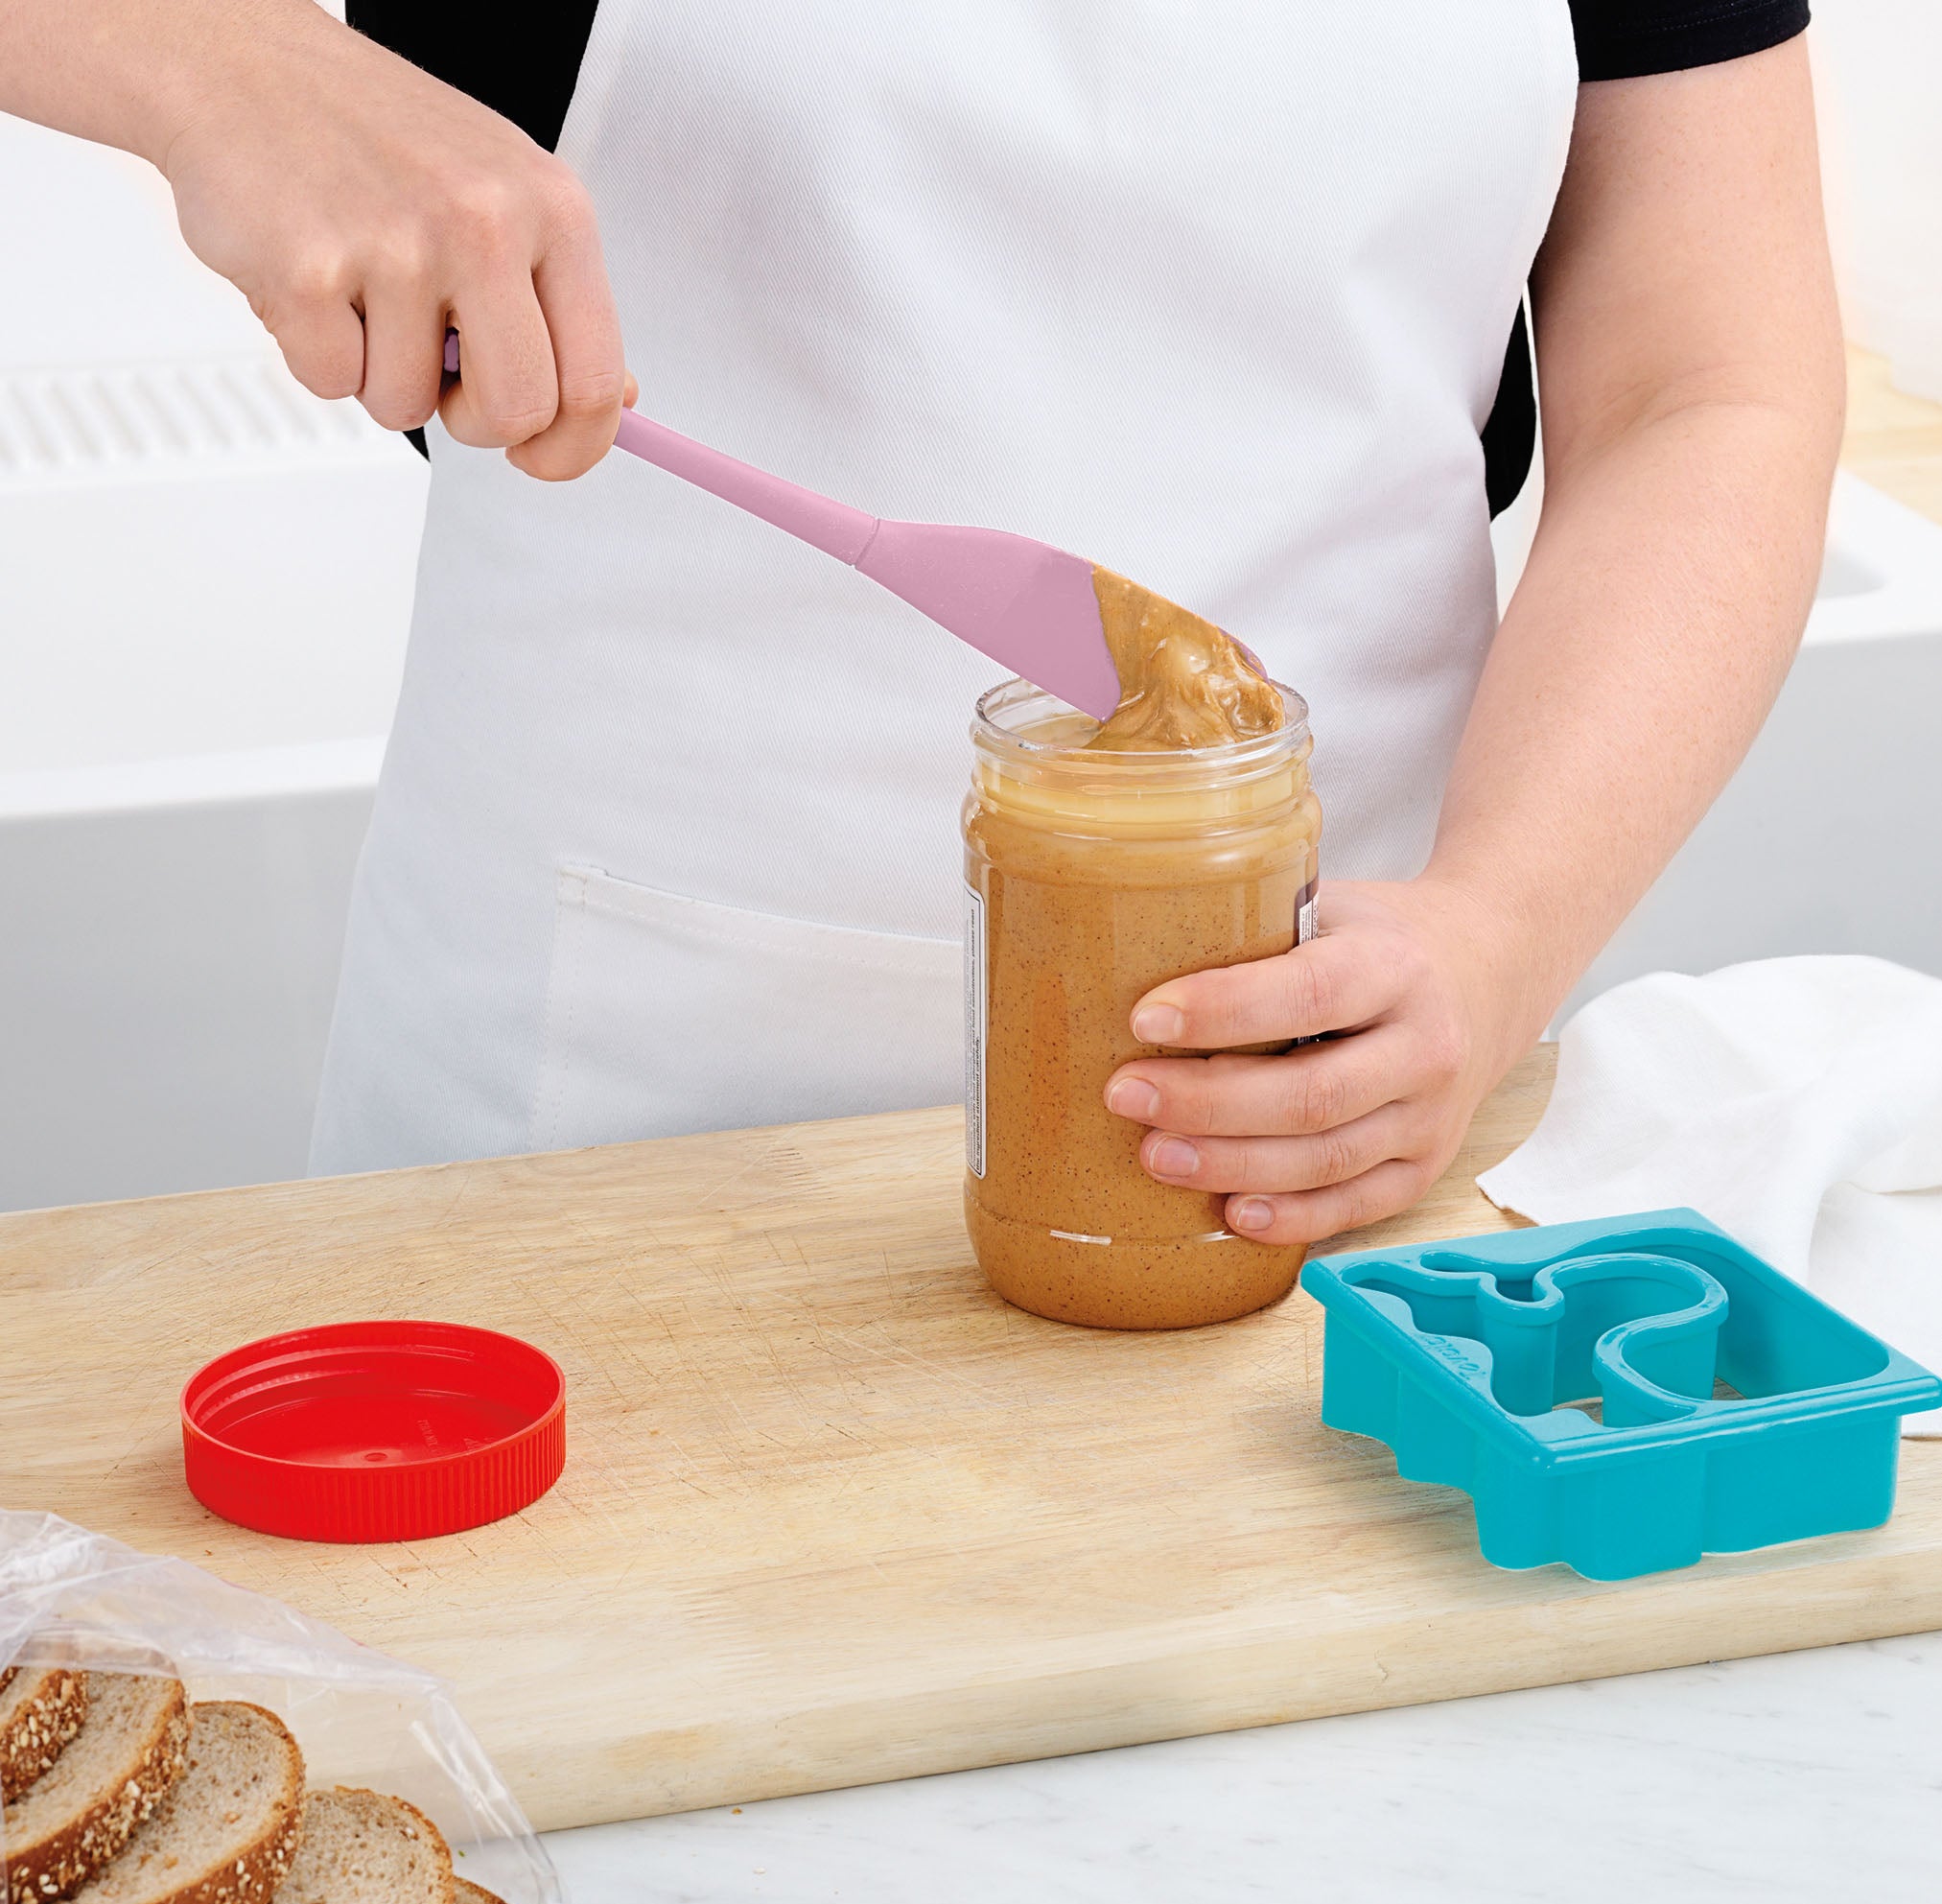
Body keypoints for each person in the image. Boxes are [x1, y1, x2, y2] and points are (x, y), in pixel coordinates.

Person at [4, 0, 1841, 1249]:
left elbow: (1708, 388)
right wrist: (223, 61)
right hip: (607, 1116)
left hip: (1330, 1093)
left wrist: (1492, 933)